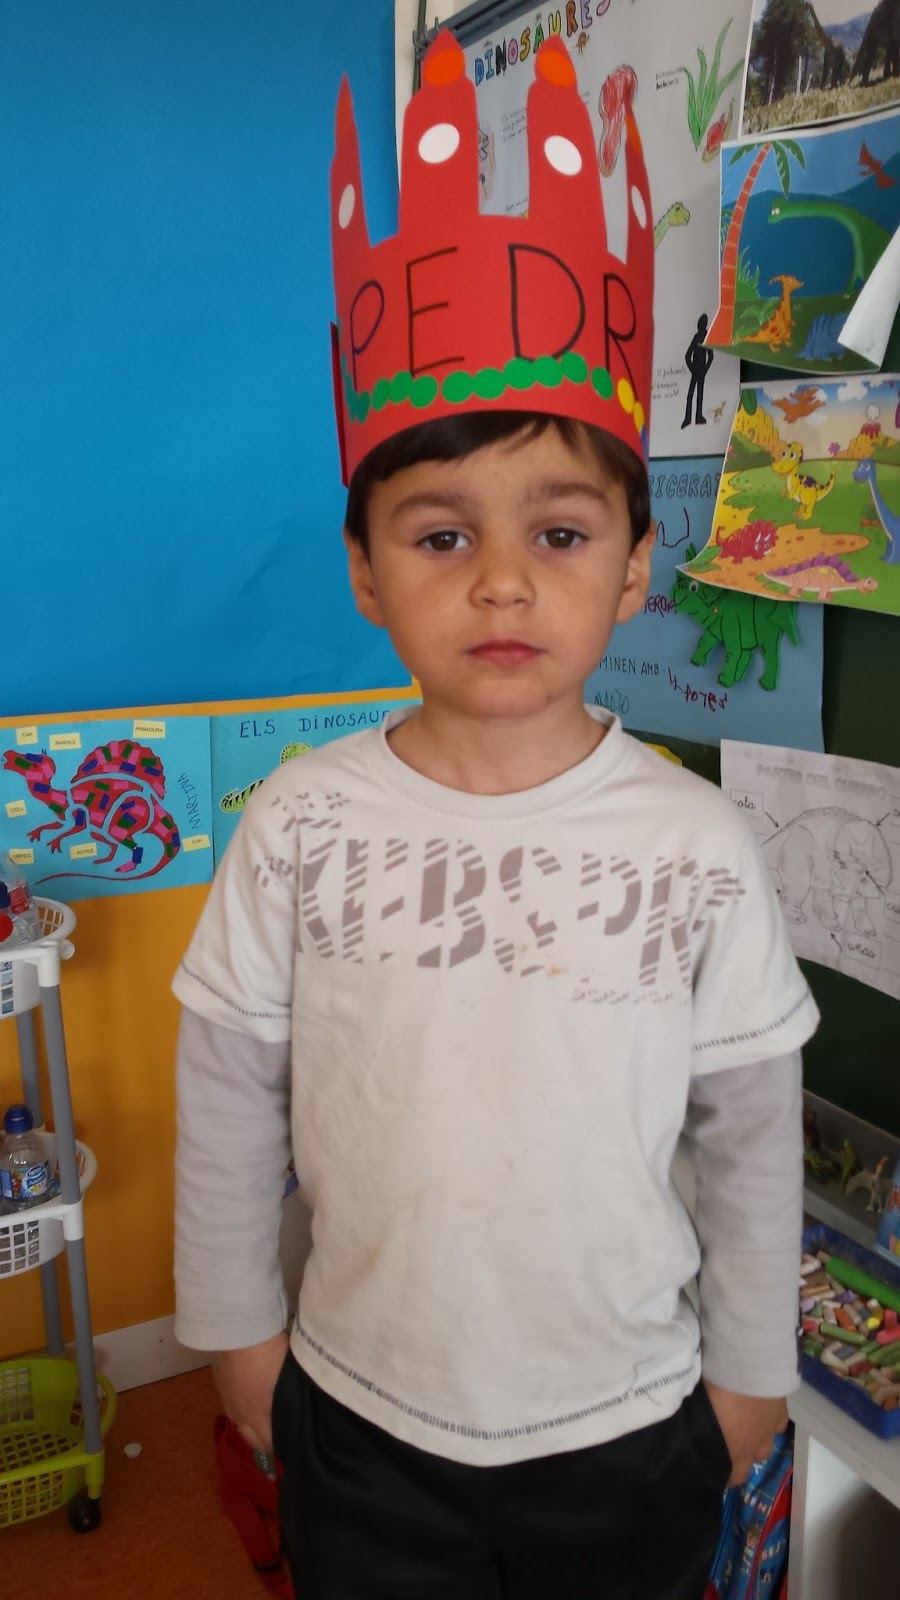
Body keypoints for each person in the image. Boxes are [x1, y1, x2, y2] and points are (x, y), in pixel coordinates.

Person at [173, 32, 819, 1600]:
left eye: (563, 532)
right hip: (360, 1410)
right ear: (364, 571)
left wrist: (752, 1375)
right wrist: (237, 1335)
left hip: (634, 1418)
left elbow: (748, 1135)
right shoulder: (299, 823)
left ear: (638, 565)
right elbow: (229, 1096)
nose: (505, 583)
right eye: (442, 535)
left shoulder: (697, 845)